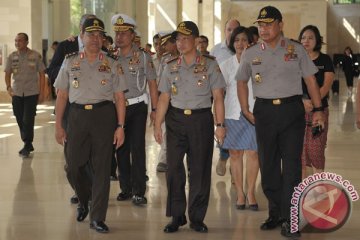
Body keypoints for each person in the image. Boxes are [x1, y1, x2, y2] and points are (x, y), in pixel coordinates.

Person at [235, 6, 325, 238]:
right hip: (263, 112)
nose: (263, 29)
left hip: (291, 111)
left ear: (280, 25)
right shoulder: (251, 52)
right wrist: (245, 108)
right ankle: (275, 211)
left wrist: (318, 110)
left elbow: (311, 81)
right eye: (260, 25)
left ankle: (289, 218)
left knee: (293, 166)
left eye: (268, 24)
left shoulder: (296, 49)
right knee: (269, 166)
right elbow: (242, 81)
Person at [54, 17, 127, 233]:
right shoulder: (70, 61)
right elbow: (61, 96)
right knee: (73, 165)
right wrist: (58, 125)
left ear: (103, 38)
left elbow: (120, 98)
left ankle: (97, 218)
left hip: (104, 116)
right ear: (82, 37)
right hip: (77, 117)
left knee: (102, 168)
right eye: (90, 34)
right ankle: (84, 200)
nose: (95, 39)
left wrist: (120, 126)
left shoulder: (112, 63)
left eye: (99, 35)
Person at [154, 21, 226, 233]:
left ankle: (196, 217)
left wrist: (220, 125)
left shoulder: (210, 64)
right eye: (178, 39)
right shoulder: (169, 65)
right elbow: (164, 97)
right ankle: (177, 216)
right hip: (175, 120)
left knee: (199, 170)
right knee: (173, 169)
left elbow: (218, 97)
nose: (181, 43)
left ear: (196, 40)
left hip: (201, 119)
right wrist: (158, 124)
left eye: (185, 39)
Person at [47, 13, 96, 205]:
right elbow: (51, 70)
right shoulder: (66, 46)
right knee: (73, 155)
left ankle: (92, 192)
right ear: (81, 29)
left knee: (93, 154)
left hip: (96, 111)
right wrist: (65, 76)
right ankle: (80, 189)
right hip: (70, 108)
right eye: (87, 28)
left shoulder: (100, 46)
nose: (91, 33)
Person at [112, 13, 158, 205]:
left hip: (138, 106)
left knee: (137, 148)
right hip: (116, 108)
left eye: (123, 33)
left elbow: (152, 84)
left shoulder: (143, 57)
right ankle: (126, 188)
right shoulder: (110, 57)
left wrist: (155, 109)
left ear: (132, 35)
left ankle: (139, 190)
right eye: (117, 33)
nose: (119, 37)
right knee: (120, 148)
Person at [220, 26, 259, 211]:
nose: (240, 44)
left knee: (253, 153)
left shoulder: (257, 61)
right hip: (232, 114)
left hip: (253, 113)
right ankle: (240, 194)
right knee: (235, 154)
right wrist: (218, 120)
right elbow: (219, 94)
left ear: (250, 43)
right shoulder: (226, 65)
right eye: (237, 40)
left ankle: (251, 192)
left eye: (244, 40)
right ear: (232, 43)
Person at [298, 25, 334, 179]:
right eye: (303, 37)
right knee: (300, 150)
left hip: (319, 112)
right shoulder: (295, 59)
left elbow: (326, 85)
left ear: (317, 40)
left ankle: (318, 186)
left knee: (316, 149)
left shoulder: (325, 59)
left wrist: (314, 103)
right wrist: (301, 102)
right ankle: (302, 189)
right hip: (298, 111)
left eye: (311, 37)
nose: (306, 41)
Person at [4, 32, 46, 157]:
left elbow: (42, 74)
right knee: (18, 117)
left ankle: (27, 144)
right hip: (16, 92)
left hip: (31, 93)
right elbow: (7, 74)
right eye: (16, 41)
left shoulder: (35, 56)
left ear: (27, 42)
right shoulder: (11, 57)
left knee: (28, 119)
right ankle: (27, 142)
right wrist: (8, 87)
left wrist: (42, 92)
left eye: (20, 40)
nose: (17, 43)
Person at [210, 18, 240, 176]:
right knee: (224, 129)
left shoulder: (244, 48)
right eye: (229, 29)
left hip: (241, 98)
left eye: (235, 30)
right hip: (222, 97)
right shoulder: (216, 50)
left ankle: (235, 165)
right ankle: (223, 157)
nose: (232, 33)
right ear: (224, 30)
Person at [155, 31, 179, 173]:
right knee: (166, 130)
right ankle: (164, 159)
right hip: (167, 98)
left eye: (167, 44)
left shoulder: (186, 57)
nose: (164, 47)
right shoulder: (165, 59)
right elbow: (160, 80)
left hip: (181, 100)